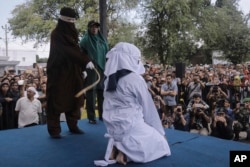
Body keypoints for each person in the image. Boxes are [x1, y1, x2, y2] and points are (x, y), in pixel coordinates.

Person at [97, 42, 170, 166]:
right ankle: (125, 154)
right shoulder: (135, 79)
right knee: (162, 145)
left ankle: (116, 146)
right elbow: (149, 109)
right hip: (130, 125)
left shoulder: (108, 79)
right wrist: (160, 132)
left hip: (112, 126)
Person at [46, 7, 94, 138]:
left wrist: (81, 69)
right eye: (70, 21)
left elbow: (75, 51)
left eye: (73, 21)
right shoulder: (56, 34)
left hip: (73, 72)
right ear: (63, 21)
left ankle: (73, 125)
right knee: (57, 100)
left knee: (75, 98)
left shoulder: (72, 34)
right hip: (59, 73)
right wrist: (85, 61)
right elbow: (68, 51)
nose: (72, 24)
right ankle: (54, 130)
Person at [79, 20, 109, 124]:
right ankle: (91, 117)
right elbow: (80, 53)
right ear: (88, 28)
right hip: (92, 67)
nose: (94, 28)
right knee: (91, 92)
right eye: (92, 27)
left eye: (96, 27)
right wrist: (87, 61)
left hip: (102, 67)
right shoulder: (85, 40)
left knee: (102, 91)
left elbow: (107, 52)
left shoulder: (102, 39)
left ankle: (102, 115)